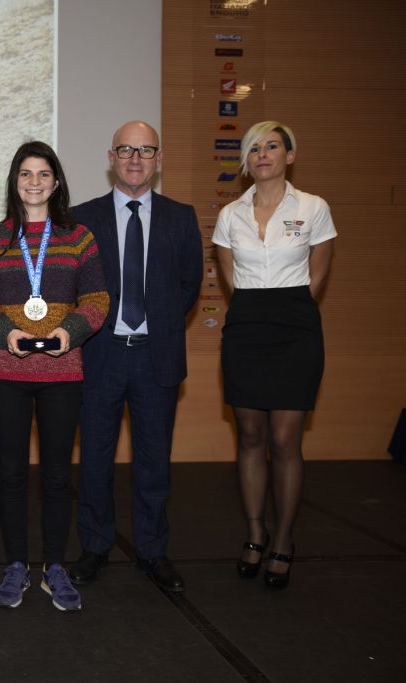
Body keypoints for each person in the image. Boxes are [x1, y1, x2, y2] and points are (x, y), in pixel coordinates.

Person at [0, 141, 108, 611]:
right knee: (10, 473)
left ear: (56, 182)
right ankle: (15, 566)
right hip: (7, 372)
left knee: (58, 476)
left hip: (63, 374)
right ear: (14, 181)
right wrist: (7, 334)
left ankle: (55, 567)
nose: (34, 182)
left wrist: (71, 331)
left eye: (43, 174)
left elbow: (97, 300)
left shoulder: (79, 238)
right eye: (25, 174)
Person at [69, 121, 202, 593]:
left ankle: (152, 550)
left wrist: (156, 323)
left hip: (155, 357)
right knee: (95, 459)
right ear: (111, 157)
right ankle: (94, 546)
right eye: (126, 149)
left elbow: (189, 285)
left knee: (154, 461)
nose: (135, 158)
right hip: (99, 355)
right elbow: (72, 284)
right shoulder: (81, 218)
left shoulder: (181, 217)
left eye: (145, 150)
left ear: (158, 160)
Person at [212, 121, 335, 590]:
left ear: (290, 155)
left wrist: (288, 308)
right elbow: (231, 279)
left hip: (295, 327)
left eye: (272, 146)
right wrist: (257, 309)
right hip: (246, 325)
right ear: (246, 160)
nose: (262, 154)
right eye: (254, 148)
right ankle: (255, 532)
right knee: (249, 434)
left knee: (285, 440)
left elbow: (317, 276)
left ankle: (284, 538)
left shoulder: (313, 207)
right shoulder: (230, 215)